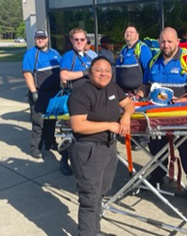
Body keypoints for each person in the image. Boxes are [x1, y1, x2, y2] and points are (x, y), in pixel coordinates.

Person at [67, 56, 134, 236]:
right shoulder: (81, 94)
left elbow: (128, 104)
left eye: (107, 71)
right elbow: (78, 125)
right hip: (88, 150)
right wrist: (108, 125)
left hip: (108, 147)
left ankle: (94, 232)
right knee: (89, 198)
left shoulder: (113, 87)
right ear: (90, 72)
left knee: (101, 193)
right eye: (99, 70)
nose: (104, 74)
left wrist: (126, 116)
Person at [142, 27, 187, 204]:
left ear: (177, 41)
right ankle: (157, 176)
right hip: (157, 116)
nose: (166, 45)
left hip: (183, 116)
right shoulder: (153, 60)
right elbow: (145, 85)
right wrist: (139, 95)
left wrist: (185, 99)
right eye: (163, 41)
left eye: (170, 41)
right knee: (156, 147)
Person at [58, 27, 95, 176]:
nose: (79, 42)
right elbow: (64, 75)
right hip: (76, 101)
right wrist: (84, 73)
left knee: (86, 133)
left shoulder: (88, 57)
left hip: (90, 100)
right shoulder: (69, 56)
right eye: (76, 39)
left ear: (86, 41)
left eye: (82, 39)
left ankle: (83, 161)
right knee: (72, 133)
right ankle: (64, 160)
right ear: (72, 41)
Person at [22, 29, 61, 159]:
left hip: (54, 94)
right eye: (38, 38)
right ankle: (35, 147)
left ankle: (50, 143)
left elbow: (62, 70)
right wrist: (33, 91)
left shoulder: (55, 53)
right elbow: (27, 74)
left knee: (51, 121)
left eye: (43, 37)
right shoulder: (31, 54)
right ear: (35, 39)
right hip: (39, 94)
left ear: (47, 39)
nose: (40, 40)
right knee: (38, 122)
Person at [116, 25, 152, 97]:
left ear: (137, 35)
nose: (128, 34)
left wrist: (143, 91)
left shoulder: (143, 49)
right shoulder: (123, 49)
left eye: (131, 32)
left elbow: (149, 71)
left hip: (137, 94)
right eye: (126, 32)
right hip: (122, 93)